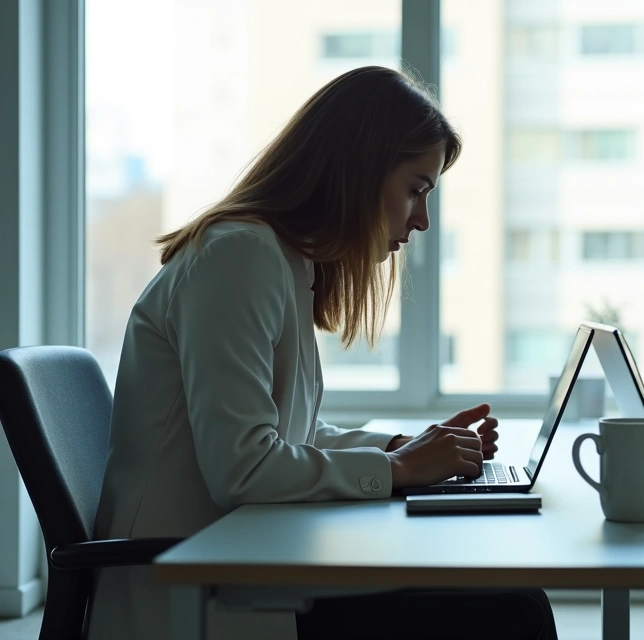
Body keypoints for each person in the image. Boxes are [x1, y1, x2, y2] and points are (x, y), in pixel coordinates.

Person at [90, 66, 558, 640]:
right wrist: (402, 469)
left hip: (246, 557)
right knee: (515, 610)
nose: (423, 220)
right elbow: (244, 468)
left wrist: (403, 447)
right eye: (415, 189)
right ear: (358, 171)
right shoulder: (239, 257)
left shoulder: (282, 259)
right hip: (198, 590)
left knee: (508, 598)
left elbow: (293, 433)